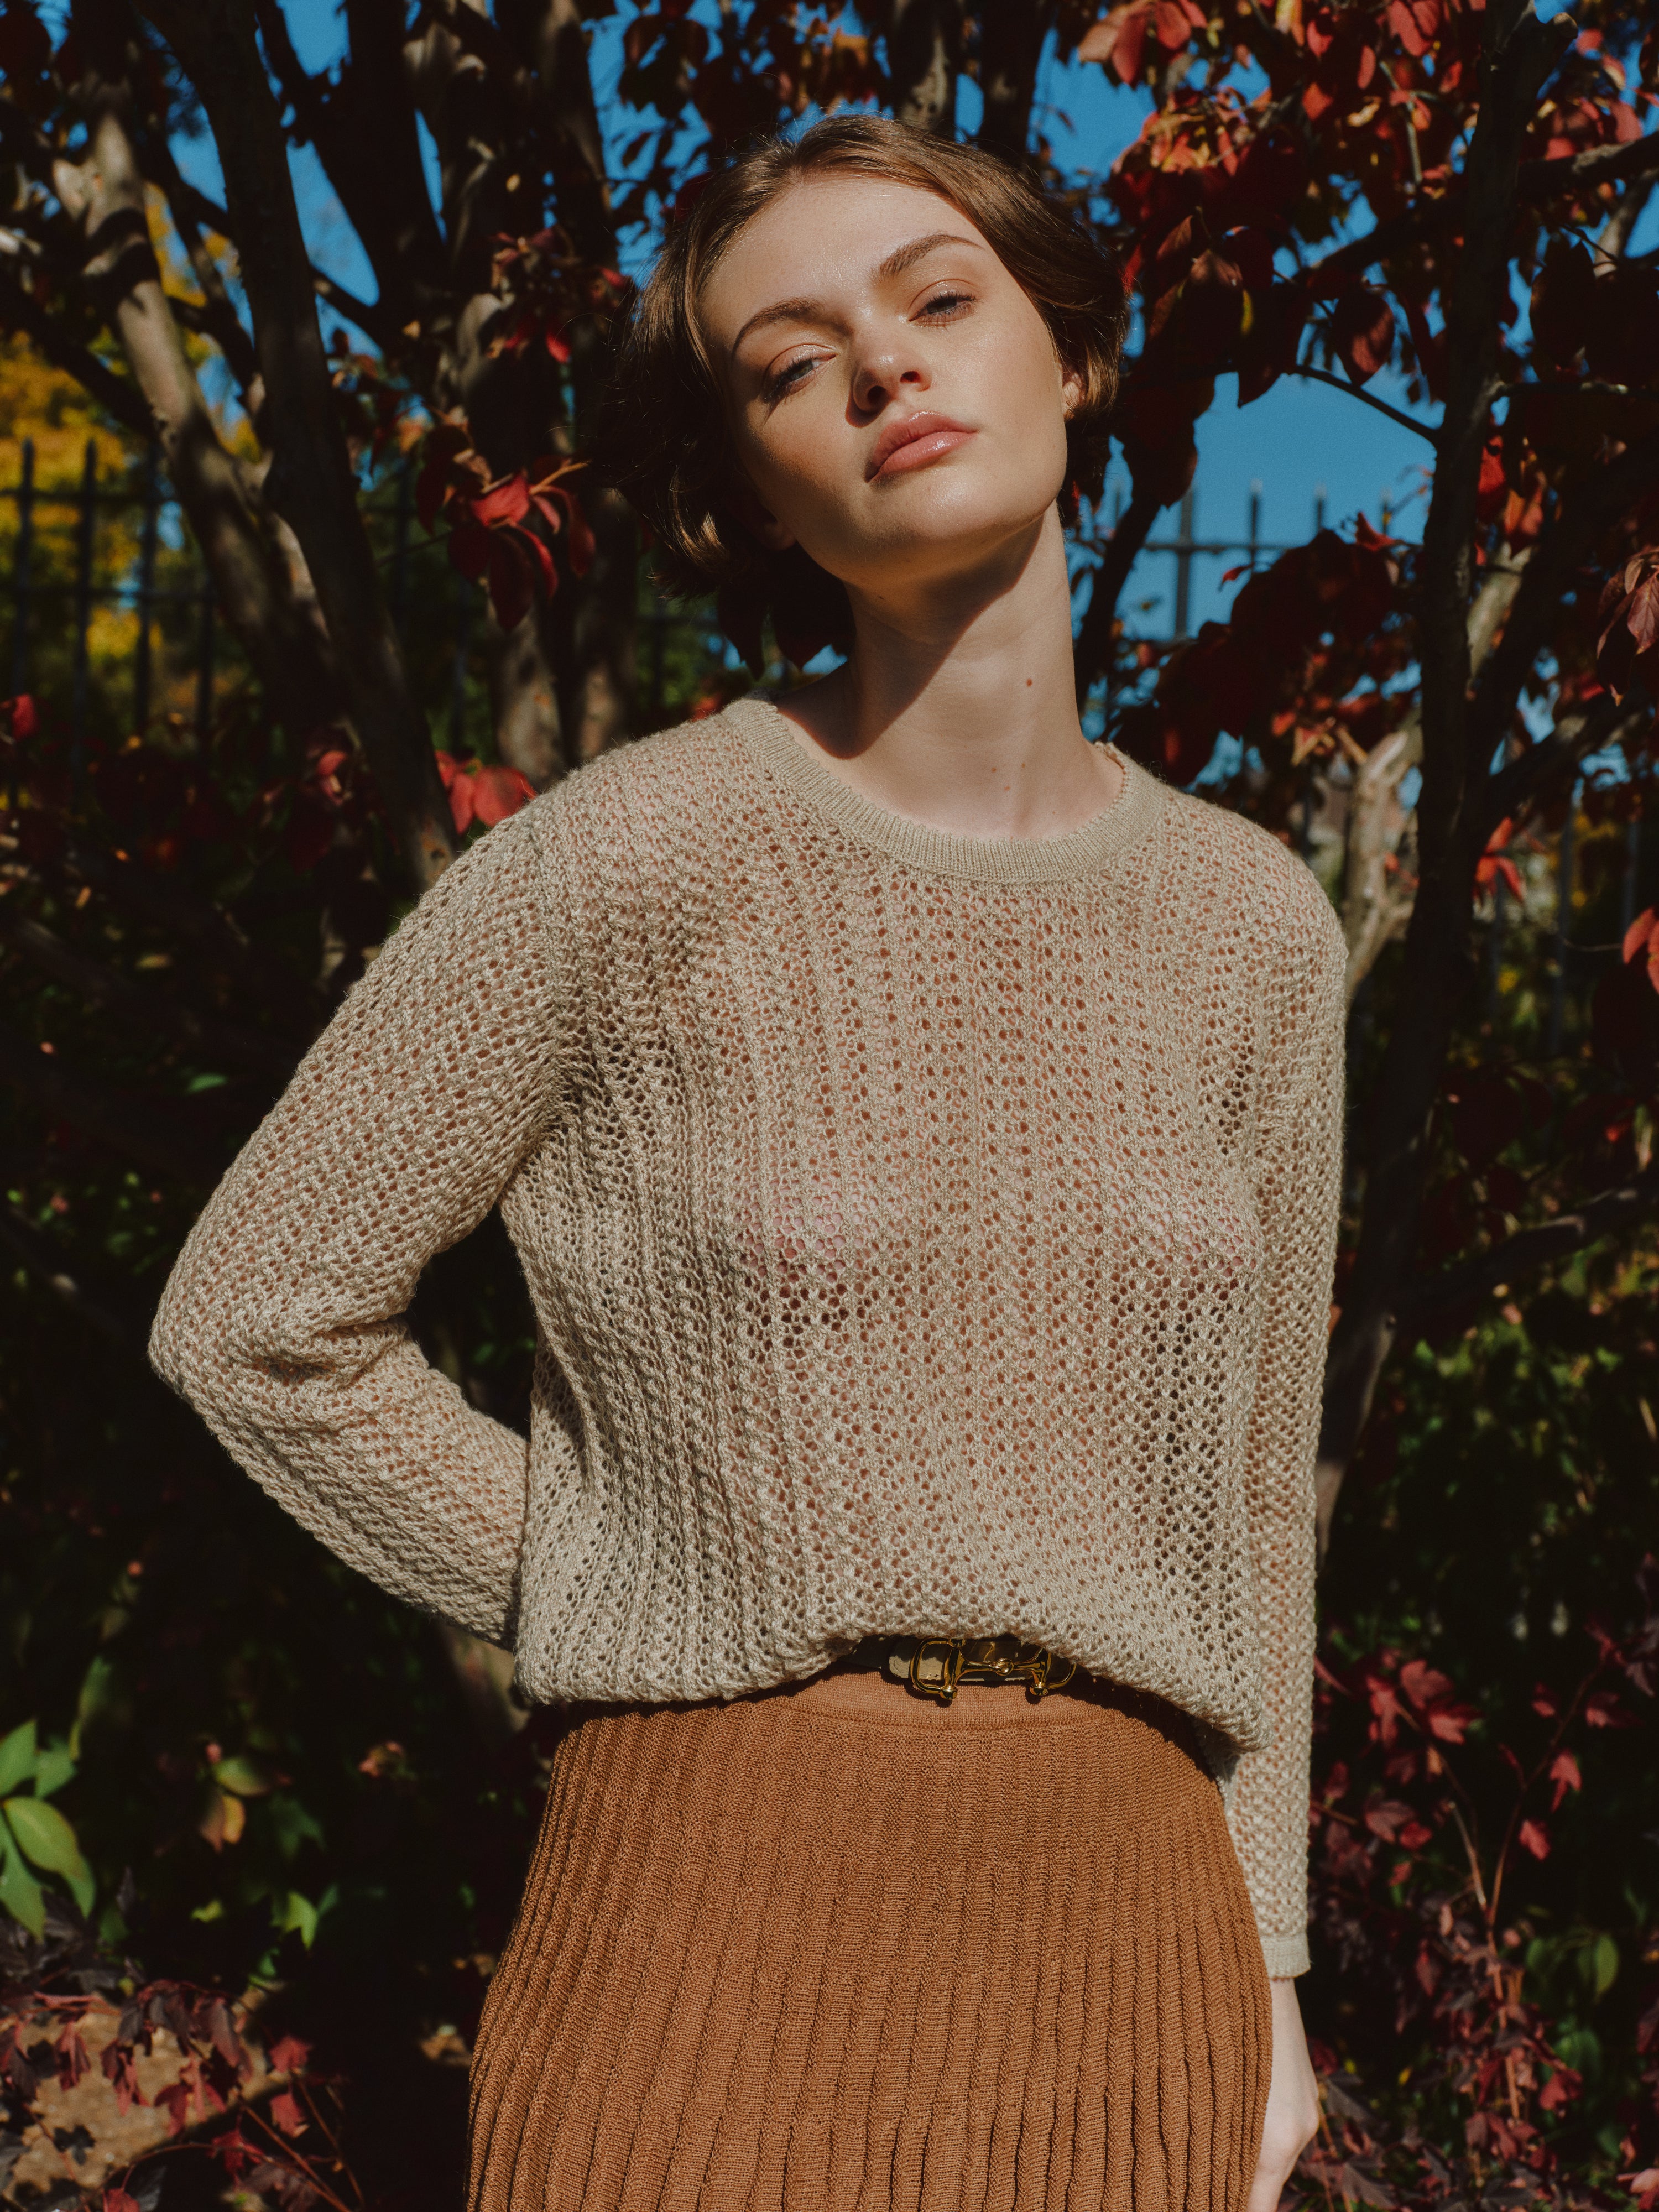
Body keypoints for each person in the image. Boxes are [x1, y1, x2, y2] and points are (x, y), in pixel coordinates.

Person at [151, 114, 1345, 2212]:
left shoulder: (1255, 929)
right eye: (791, 363)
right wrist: (625, 1568)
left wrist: (1268, 1977)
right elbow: (255, 1321)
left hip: (1131, 1941)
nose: (884, 366)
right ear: (747, 490)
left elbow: (1252, 1519)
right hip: (711, 1915)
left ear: (1071, 352)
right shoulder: (626, 864)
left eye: (940, 298)